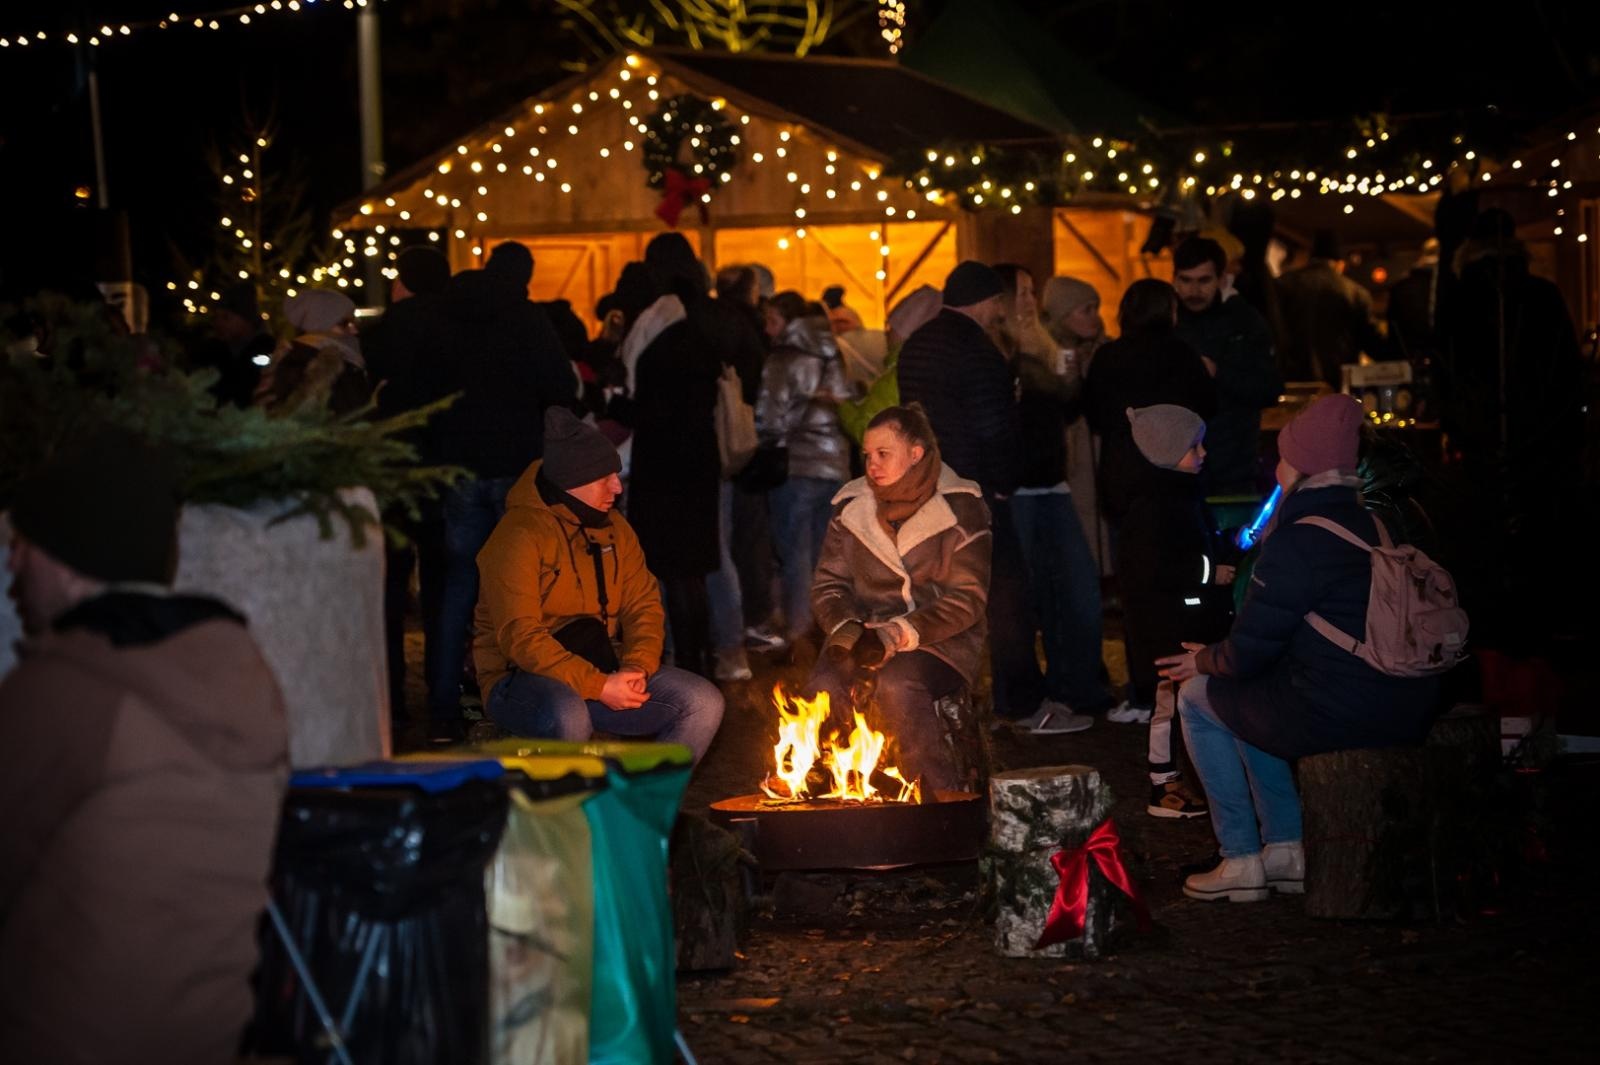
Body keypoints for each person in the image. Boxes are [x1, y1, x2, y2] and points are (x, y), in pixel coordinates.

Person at [0, 429, 289, 1063]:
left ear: (66, 556)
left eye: (22, 544)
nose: (13, 564)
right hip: (208, 1039)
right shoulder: (239, 671)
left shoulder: (65, 694)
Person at [1156, 395, 1439, 902]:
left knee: (1199, 699)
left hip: (1346, 709)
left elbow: (1249, 651)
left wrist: (1202, 660)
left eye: (1284, 454)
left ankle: (1240, 858)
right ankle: (1286, 849)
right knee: (1241, 696)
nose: (1275, 463)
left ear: (1303, 466)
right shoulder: (1369, 522)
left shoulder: (1299, 540)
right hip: (1398, 698)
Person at [473, 408, 724, 762]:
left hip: (600, 662)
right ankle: (570, 814)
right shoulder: (518, 536)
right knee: (568, 713)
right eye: (604, 477)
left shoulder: (614, 529)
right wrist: (598, 685)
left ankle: (646, 810)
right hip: (519, 679)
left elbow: (644, 605)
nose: (617, 487)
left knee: (701, 702)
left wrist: (637, 667)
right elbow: (520, 637)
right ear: (571, 482)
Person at [898, 261, 1081, 730]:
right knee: (1006, 599)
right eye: (1000, 301)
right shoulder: (978, 352)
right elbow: (993, 429)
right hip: (974, 492)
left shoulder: (917, 345)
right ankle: (1020, 704)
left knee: (937, 601)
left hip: (925, 490)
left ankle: (937, 703)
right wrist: (1001, 485)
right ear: (987, 301)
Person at [430, 241, 580, 740]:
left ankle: (445, 707)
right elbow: (562, 384)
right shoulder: (525, 318)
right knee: (521, 586)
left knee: (459, 588)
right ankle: (512, 697)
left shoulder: (446, 316)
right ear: (525, 276)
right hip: (515, 467)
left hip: (458, 466)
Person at [808, 404, 991, 790]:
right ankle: (833, 793)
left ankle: (937, 800)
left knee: (896, 684)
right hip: (864, 631)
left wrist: (901, 631)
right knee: (823, 684)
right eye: (867, 456)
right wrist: (847, 627)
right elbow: (828, 584)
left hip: (942, 638)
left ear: (916, 454)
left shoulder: (961, 506)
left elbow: (968, 598)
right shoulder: (850, 507)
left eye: (883, 454)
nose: (872, 465)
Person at [1084, 279, 1216, 721]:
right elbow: (1206, 406)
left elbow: (1096, 414)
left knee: (1137, 591)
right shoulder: (1181, 356)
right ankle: (1179, 678)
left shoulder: (1109, 357)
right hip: (1174, 480)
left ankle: (1148, 684)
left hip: (1123, 482)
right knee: (1178, 589)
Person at [995, 264, 1115, 720]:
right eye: (1023, 291)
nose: (1030, 300)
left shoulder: (1044, 344)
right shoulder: (1005, 347)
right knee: (1023, 597)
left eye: (1032, 291)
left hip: (1051, 481)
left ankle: (1078, 687)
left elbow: (1062, 409)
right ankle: (1023, 695)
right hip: (1018, 487)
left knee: (1077, 588)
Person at [1119, 405, 1234, 818]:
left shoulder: (1182, 495)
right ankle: (1164, 785)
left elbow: (1195, 547)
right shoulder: (1154, 506)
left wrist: (1228, 545)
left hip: (1187, 619)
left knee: (1188, 700)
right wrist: (1209, 574)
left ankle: (1193, 774)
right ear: (1168, 452)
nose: (1203, 453)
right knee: (1167, 701)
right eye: (1193, 446)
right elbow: (1159, 569)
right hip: (1166, 627)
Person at [616, 233, 722, 678]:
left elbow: (646, 402)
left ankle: (678, 662)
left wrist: (621, 406)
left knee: (669, 568)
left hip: (662, 461)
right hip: (699, 458)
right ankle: (701, 660)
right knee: (692, 570)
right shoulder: (709, 317)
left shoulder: (658, 324)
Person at [362, 246, 453, 732]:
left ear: (406, 281)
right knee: (446, 590)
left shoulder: (381, 333)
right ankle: (446, 701)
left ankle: (392, 702)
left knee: (390, 591)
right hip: (444, 469)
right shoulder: (456, 326)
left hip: (392, 473)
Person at [756, 292, 852, 654]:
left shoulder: (783, 358)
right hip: (835, 463)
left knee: (794, 553)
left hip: (796, 465)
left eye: (772, 320)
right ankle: (831, 629)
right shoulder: (833, 352)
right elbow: (845, 402)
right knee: (827, 556)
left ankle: (798, 631)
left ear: (789, 321)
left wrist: (763, 442)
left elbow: (770, 415)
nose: (767, 328)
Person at [1172, 237, 1283, 495]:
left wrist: (1218, 373)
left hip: (1233, 466)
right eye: (1186, 280)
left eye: (1203, 280)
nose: (1194, 290)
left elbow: (1269, 388)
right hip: (1179, 466)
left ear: (1222, 279)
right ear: (1175, 279)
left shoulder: (1245, 321)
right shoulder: (1169, 322)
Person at [705, 264, 770, 681]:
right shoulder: (751, 327)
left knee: (723, 545)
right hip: (744, 445)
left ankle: (732, 642)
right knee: (746, 543)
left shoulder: (711, 323)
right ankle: (746, 631)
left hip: (719, 447)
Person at [1038, 275, 1111, 575]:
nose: (1095, 317)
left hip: (1097, 447)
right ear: (1063, 315)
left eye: (1095, 308)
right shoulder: (1046, 353)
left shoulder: (1104, 351)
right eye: (1085, 310)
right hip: (1066, 450)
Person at [1274, 230, 1382, 386]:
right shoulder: (1355, 293)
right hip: (1337, 384)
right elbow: (1372, 343)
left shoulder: (1282, 285)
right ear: (1340, 263)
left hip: (1291, 383)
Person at [261, 288, 371, 414]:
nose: (354, 331)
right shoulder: (311, 363)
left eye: (355, 322)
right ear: (320, 322)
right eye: (345, 323)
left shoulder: (340, 359)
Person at [193, 281, 275, 408]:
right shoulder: (212, 349)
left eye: (226, 317)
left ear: (247, 319)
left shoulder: (266, 348)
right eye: (215, 317)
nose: (218, 323)